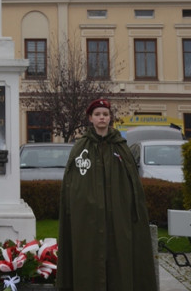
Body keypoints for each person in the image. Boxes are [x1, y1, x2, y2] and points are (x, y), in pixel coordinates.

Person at [56, 98, 158, 291]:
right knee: (88, 256)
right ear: (90, 118)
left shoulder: (120, 147)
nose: (101, 118)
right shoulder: (81, 148)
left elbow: (132, 185)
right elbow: (73, 185)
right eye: (97, 114)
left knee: (119, 255)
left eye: (105, 114)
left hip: (117, 216)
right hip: (88, 219)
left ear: (110, 118)